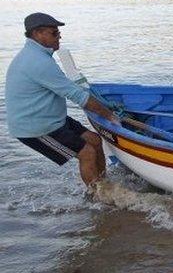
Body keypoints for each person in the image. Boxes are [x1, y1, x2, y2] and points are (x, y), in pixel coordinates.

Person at [5, 13, 118, 188]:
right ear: (37, 33)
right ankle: (98, 197)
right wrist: (110, 116)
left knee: (95, 140)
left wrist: (101, 107)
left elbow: (69, 87)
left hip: (51, 118)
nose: (59, 37)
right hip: (35, 127)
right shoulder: (37, 62)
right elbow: (77, 96)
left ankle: (104, 184)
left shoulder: (36, 55)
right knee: (86, 152)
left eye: (58, 33)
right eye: (54, 33)